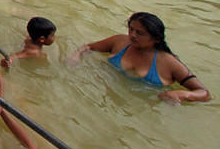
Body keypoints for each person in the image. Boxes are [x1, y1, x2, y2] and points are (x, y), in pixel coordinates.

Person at [69, 12, 210, 103]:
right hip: (109, 96)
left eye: (140, 33)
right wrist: (75, 56)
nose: (133, 35)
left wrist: (181, 94)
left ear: (156, 38)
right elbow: (87, 47)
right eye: (131, 29)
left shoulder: (169, 62)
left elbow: (204, 93)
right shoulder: (120, 41)